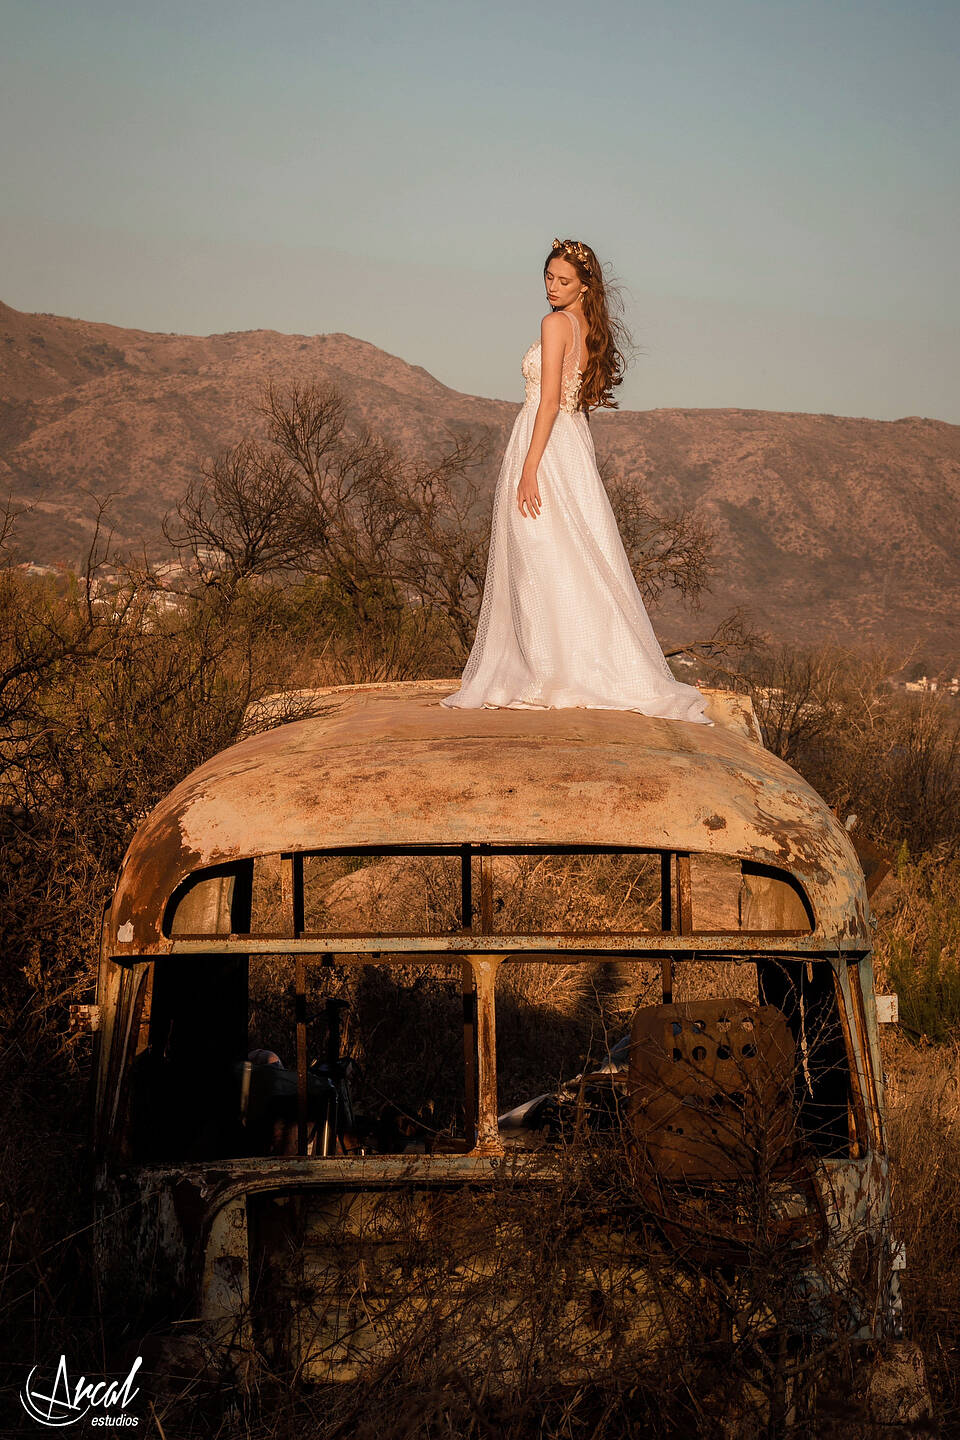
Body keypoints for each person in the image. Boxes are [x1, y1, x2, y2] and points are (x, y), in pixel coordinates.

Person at [441, 238, 712, 724]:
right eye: (548, 277)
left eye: (563, 280)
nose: (552, 287)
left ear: (585, 286)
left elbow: (548, 402)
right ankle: (567, 666)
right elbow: (572, 404)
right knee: (571, 558)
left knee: (538, 558)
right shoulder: (588, 327)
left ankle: (552, 673)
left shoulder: (554, 324)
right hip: (571, 445)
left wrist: (529, 468)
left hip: (545, 445)